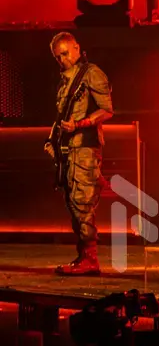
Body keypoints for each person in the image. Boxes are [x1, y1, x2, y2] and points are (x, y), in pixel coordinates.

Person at [45, 32, 114, 275]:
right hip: (70, 150)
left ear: (77, 48)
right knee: (74, 203)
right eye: (58, 56)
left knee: (83, 203)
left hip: (85, 148)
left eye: (65, 53)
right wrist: (53, 138)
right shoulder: (65, 80)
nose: (62, 59)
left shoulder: (91, 73)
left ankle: (90, 259)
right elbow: (62, 113)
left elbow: (107, 110)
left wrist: (80, 124)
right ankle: (84, 256)